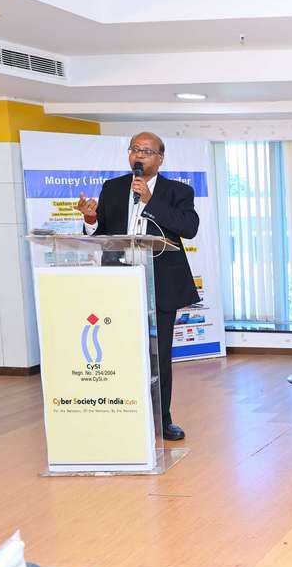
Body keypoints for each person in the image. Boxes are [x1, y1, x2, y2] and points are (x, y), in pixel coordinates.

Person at [75, 132, 199, 441]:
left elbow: (189, 228)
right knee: (121, 352)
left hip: (162, 285)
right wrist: (90, 219)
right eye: (134, 149)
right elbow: (101, 233)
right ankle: (125, 415)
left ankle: (162, 419)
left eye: (146, 151)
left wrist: (150, 201)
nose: (138, 155)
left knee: (159, 355)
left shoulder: (178, 191)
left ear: (160, 158)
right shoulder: (113, 188)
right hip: (120, 284)